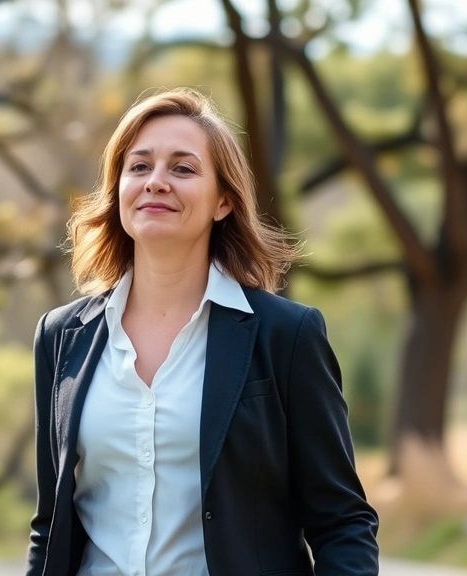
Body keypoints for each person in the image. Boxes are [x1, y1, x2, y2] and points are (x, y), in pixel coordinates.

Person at [26, 88, 379, 576]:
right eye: (139, 166)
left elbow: (342, 523)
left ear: (223, 202)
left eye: (183, 169)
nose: (156, 182)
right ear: (119, 190)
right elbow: (51, 528)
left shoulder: (286, 335)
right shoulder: (61, 337)